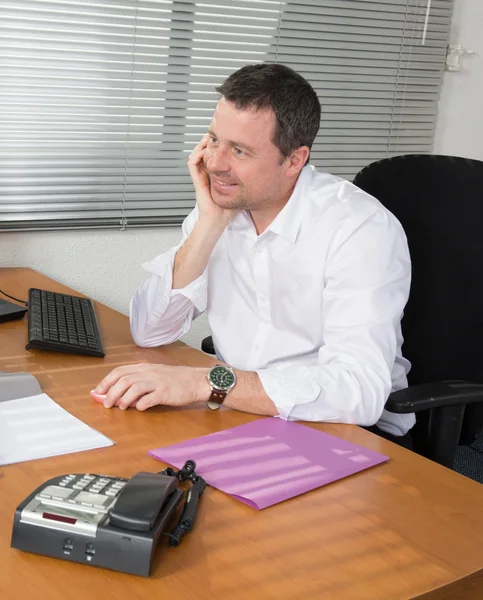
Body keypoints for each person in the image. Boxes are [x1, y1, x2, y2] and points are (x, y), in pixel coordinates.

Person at [92, 63, 415, 443]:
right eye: (213, 140)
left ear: (295, 160)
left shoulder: (360, 229)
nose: (214, 163)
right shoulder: (222, 204)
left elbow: (358, 391)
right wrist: (209, 225)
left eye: (240, 150)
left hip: (342, 428)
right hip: (243, 410)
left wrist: (208, 381)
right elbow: (150, 331)